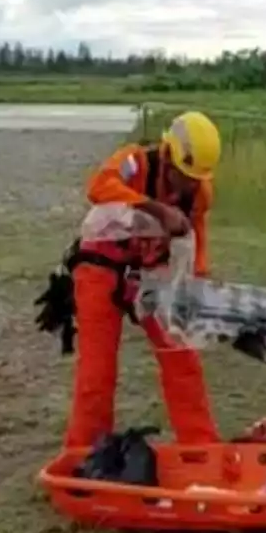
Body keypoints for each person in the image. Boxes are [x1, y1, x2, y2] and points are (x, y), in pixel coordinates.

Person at [63, 111, 222, 449]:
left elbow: (198, 235)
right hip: (100, 267)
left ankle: (201, 450)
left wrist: (197, 280)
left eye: (197, 178)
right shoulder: (135, 162)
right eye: (185, 175)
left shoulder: (199, 193)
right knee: (97, 372)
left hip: (153, 272)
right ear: (167, 155)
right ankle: (84, 455)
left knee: (182, 357)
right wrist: (155, 209)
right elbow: (98, 186)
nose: (190, 184)